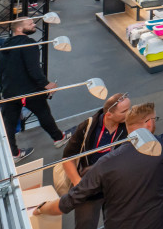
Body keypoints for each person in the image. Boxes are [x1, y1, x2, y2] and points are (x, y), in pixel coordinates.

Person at [33, 103, 163, 229]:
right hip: (161, 223)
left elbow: (67, 203)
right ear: (147, 123)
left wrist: (41, 209)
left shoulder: (106, 164)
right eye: (155, 119)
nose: (155, 123)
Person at [0, 18, 71, 162]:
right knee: (43, 113)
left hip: (9, 91)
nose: (34, 25)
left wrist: (3, 90)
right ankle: (58, 138)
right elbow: (33, 68)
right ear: (19, 29)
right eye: (30, 24)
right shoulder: (29, 43)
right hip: (28, 90)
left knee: (9, 123)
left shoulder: (5, 45)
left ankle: (14, 153)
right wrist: (45, 84)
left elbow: (2, 70)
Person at [60, 93, 131, 229]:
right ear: (109, 114)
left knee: (119, 223)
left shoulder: (127, 127)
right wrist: (79, 184)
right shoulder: (87, 127)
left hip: (115, 187)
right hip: (89, 188)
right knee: (85, 225)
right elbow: (68, 157)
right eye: (124, 111)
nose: (129, 113)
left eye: (129, 108)